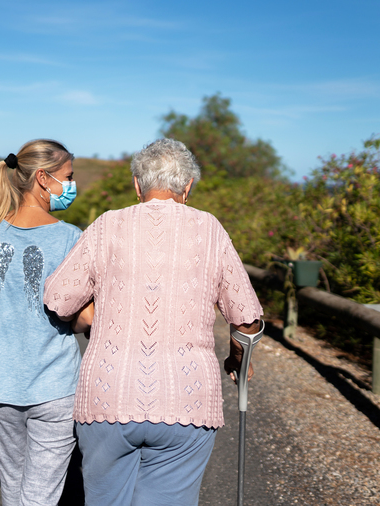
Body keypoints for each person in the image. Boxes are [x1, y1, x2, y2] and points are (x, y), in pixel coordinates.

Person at [43, 138, 263, 506]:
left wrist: (99, 322)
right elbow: (248, 322)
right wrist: (238, 361)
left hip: (108, 396)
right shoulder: (210, 230)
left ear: (136, 185)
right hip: (187, 401)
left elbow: (59, 299)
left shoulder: (106, 225)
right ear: (188, 186)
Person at [0, 139, 90, 506]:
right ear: (43, 178)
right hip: (54, 386)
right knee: (42, 495)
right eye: (69, 176)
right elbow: (86, 316)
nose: (72, 185)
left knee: (14, 487)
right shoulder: (70, 238)